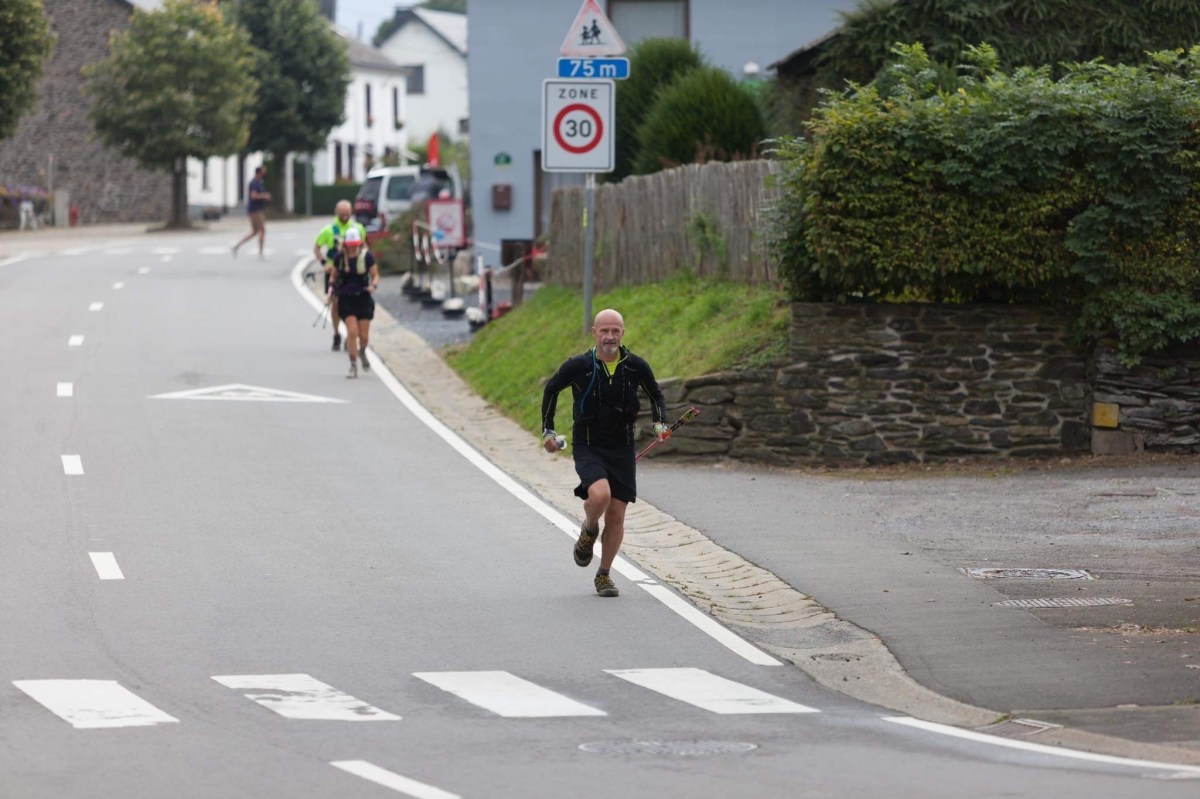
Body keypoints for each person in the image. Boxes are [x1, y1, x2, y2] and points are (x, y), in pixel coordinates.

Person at [540, 309, 668, 597]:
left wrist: (660, 423)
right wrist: (548, 432)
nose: (610, 336)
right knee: (600, 496)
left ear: (622, 333)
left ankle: (604, 574)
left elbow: (656, 394)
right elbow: (551, 389)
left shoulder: (635, 366)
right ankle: (588, 529)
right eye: (604, 331)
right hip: (588, 444)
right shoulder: (580, 366)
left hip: (622, 447)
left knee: (617, 516)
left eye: (615, 331)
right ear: (595, 333)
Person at [313, 200, 367, 351]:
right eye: (342, 213)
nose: (344, 216)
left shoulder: (357, 228)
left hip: (354, 273)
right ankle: (337, 333)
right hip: (335, 273)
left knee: (354, 305)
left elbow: (364, 247)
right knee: (336, 304)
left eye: (347, 213)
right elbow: (316, 248)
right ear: (336, 213)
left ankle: (350, 334)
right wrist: (324, 263)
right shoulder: (328, 230)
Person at [329, 226, 379, 379]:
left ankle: (362, 351)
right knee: (352, 332)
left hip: (363, 298)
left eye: (355, 244)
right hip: (346, 299)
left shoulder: (367, 256)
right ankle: (352, 365)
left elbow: (375, 275)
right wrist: (331, 291)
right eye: (350, 245)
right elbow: (333, 276)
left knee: (363, 336)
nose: (352, 247)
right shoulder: (339, 258)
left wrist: (373, 285)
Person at [232, 165, 271, 259]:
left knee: (255, 231)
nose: (265, 173)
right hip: (255, 210)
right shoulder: (254, 183)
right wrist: (264, 196)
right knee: (262, 230)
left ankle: (237, 245)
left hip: (257, 209)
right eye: (263, 171)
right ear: (259, 172)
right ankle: (260, 253)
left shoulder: (259, 182)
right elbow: (253, 196)